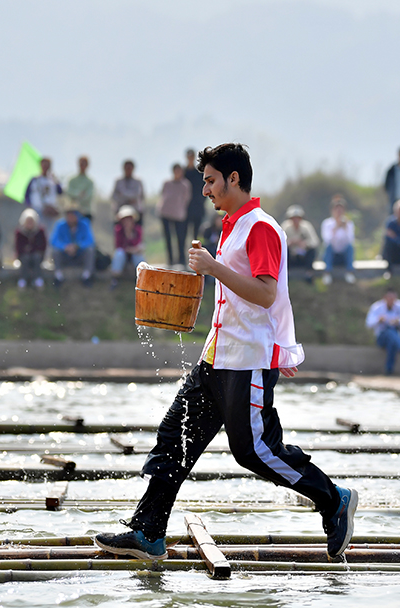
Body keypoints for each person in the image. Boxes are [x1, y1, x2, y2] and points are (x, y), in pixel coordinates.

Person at [94, 143, 357, 562]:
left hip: (247, 360)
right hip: (216, 356)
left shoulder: (261, 227)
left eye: (211, 180)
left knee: (254, 450)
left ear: (234, 179)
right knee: (173, 440)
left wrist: (214, 267)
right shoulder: (232, 226)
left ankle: (333, 499)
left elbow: (268, 294)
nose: (205, 190)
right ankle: (147, 531)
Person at [366, 288, 400, 375]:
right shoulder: (377, 307)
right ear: (384, 297)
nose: (391, 300)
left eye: (393, 298)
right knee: (388, 332)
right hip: (381, 337)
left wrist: (398, 321)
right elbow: (368, 323)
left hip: (396, 336)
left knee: (392, 341)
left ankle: (389, 370)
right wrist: (378, 320)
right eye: (389, 297)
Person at [51, 201, 96, 287]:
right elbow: (54, 240)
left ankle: (86, 276)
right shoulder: (60, 225)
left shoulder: (85, 224)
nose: (71, 217)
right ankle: (58, 276)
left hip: (79, 254)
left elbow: (90, 240)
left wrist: (77, 246)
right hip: (65, 255)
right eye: (69, 214)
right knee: (55, 251)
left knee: (90, 250)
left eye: (73, 214)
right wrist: (65, 247)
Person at [159, 163, 192, 267]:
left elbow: (187, 199)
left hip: (179, 214)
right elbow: (163, 195)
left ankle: (181, 259)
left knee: (180, 237)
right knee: (168, 237)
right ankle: (170, 259)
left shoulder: (185, 184)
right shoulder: (167, 183)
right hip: (166, 213)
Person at [320, 195, 356, 285]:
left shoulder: (349, 224)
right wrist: (336, 227)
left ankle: (349, 273)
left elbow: (350, 240)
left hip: (343, 255)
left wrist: (345, 228)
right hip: (332, 255)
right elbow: (327, 240)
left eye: (341, 209)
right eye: (337, 209)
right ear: (332, 210)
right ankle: (327, 274)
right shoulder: (327, 223)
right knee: (328, 247)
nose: (339, 212)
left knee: (350, 248)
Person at [281, 204, 319, 283]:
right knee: (283, 251)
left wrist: (305, 243)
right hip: (291, 257)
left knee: (312, 250)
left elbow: (315, 241)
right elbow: (279, 242)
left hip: (303, 256)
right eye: (293, 218)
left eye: (297, 218)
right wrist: (290, 242)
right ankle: (286, 272)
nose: (295, 221)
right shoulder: (286, 227)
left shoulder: (306, 226)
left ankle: (309, 273)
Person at [110, 205, 145, 290]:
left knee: (138, 256)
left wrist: (130, 236)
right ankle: (115, 278)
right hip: (124, 254)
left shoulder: (138, 230)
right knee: (119, 253)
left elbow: (138, 245)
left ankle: (143, 278)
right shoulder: (118, 230)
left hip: (134, 254)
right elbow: (118, 245)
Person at [25, 157, 62, 234]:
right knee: (37, 231)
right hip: (38, 210)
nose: (45, 167)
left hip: (50, 212)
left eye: (47, 165)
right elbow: (27, 195)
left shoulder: (53, 180)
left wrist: (56, 180)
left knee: (50, 232)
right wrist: (30, 207)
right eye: (43, 165)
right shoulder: (34, 180)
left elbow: (60, 192)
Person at [14, 208, 47, 290]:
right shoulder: (19, 232)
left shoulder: (40, 231)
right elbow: (19, 247)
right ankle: (22, 280)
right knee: (25, 258)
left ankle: (38, 279)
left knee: (36, 258)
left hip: (37, 255)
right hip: (24, 256)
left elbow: (42, 246)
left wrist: (30, 249)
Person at [111, 159, 145, 224]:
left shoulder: (138, 181)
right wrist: (125, 199)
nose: (128, 170)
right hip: (120, 208)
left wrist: (122, 194)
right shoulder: (118, 181)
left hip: (135, 209)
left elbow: (138, 195)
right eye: (126, 168)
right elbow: (114, 196)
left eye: (130, 168)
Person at [184, 148, 207, 240]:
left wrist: (202, 200)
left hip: (198, 206)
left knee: (197, 234)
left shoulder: (199, 173)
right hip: (185, 208)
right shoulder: (183, 173)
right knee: (183, 234)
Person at [67, 156, 95, 221]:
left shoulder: (90, 182)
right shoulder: (72, 180)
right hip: (72, 212)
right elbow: (69, 192)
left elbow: (89, 196)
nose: (83, 166)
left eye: (85, 164)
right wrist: (79, 193)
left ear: (87, 165)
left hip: (86, 212)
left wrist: (76, 195)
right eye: (81, 164)